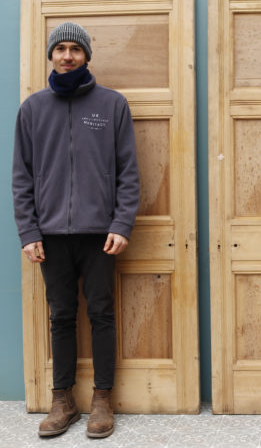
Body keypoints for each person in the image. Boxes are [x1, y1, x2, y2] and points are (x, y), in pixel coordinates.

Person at [12, 22, 140, 438]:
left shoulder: (112, 104)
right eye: (60, 49)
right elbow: (22, 177)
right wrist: (29, 231)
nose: (67, 56)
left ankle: (103, 400)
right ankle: (61, 400)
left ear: (86, 56)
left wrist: (121, 223)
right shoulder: (32, 109)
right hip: (50, 235)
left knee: (102, 314)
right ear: (51, 56)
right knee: (61, 316)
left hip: (100, 234)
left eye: (75, 50)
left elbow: (128, 174)